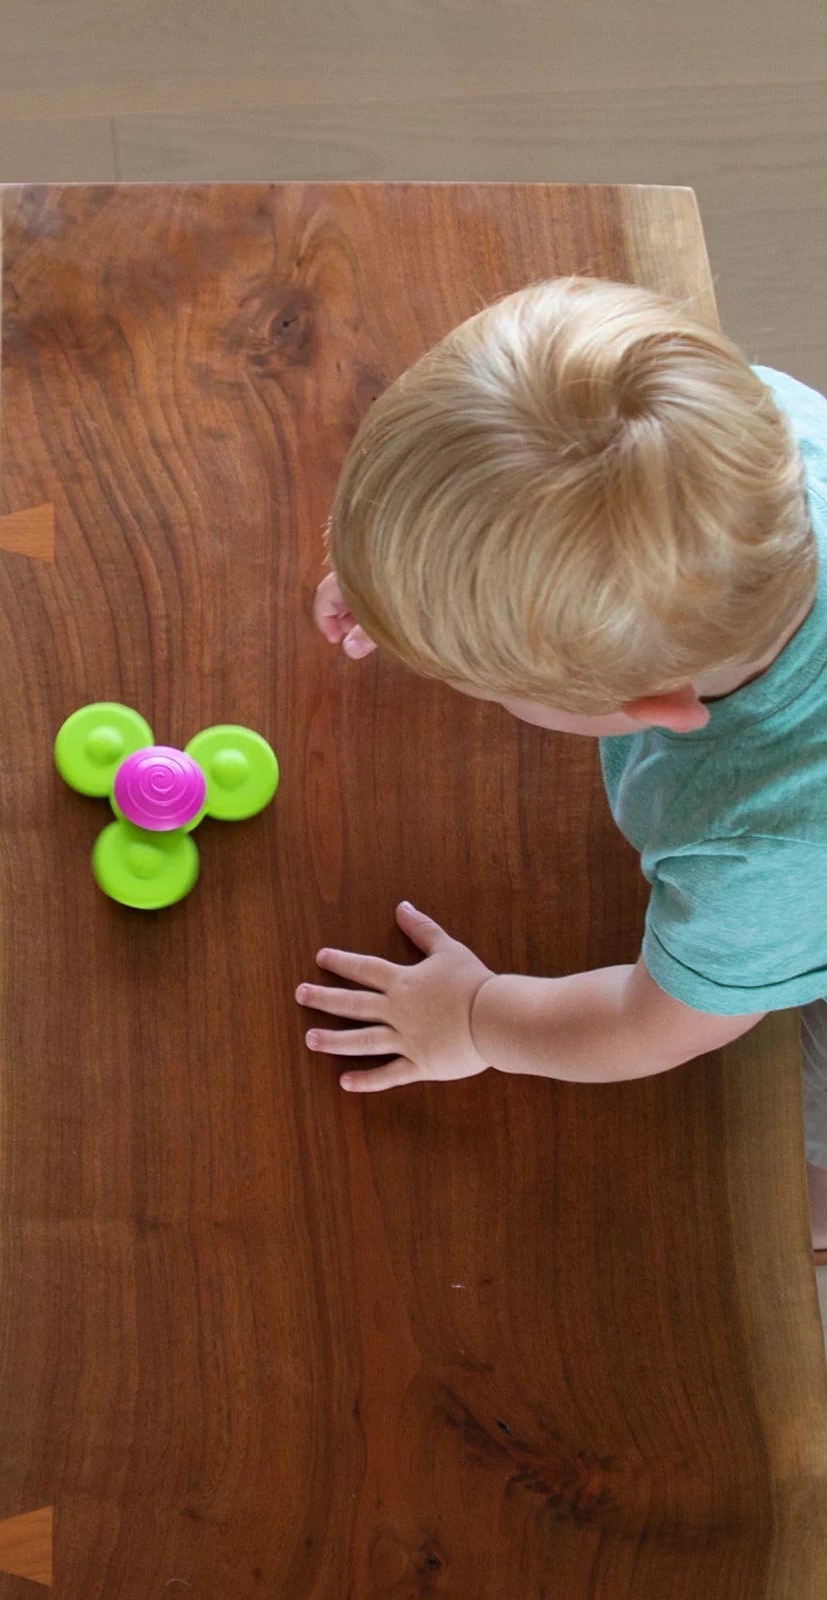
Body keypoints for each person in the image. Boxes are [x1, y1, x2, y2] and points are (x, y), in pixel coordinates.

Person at [303, 277, 827, 1256]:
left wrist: (477, 1017)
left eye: (478, 678)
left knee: (798, 1162)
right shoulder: (746, 441)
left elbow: (655, 1022)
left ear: (654, 713)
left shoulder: (758, 851)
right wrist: (417, 577)